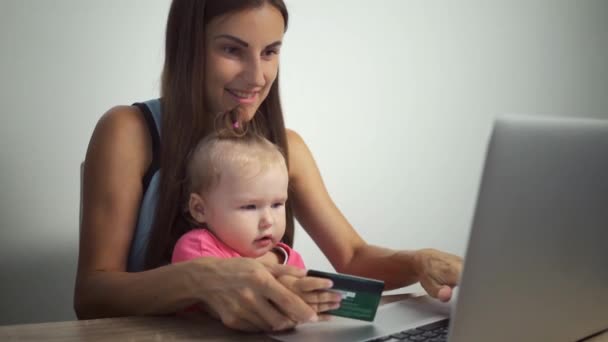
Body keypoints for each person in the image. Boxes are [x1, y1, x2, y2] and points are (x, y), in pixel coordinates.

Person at [74, 0, 462, 333]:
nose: (257, 77)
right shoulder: (129, 131)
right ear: (188, 47)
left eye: (269, 52)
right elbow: (91, 296)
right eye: (232, 50)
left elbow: (354, 257)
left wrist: (417, 261)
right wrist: (203, 279)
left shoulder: (287, 147)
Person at [172, 127, 307, 270]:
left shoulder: (291, 259)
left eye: (277, 204)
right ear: (199, 209)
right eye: (250, 207)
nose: (268, 221)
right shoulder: (199, 249)